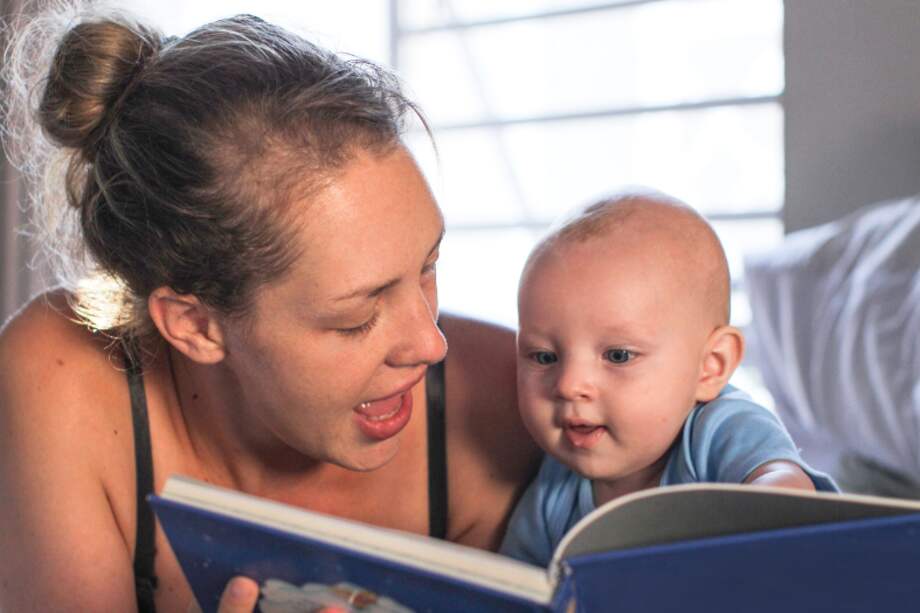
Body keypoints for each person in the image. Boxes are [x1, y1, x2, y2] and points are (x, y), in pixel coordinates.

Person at [0, 6, 540, 612]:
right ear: (195, 326)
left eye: (427, 268)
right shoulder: (63, 372)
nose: (431, 344)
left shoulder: (511, 397)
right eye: (356, 318)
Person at [499, 193, 837, 566]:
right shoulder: (554, 491)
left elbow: (785, 490)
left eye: (618, 356)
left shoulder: (718, 430)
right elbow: (514, 584)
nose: (568, 385)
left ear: (710, 366)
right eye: (545, 357)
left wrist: (761, 515)